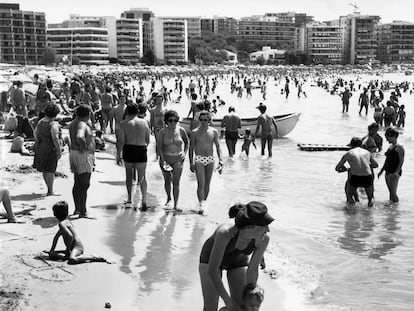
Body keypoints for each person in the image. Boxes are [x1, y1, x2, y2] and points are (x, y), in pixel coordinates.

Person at [199, 202, 274, 311]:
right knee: (210, 306)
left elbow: (252, 270)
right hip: (210, 258)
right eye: (264, 225)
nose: (268, 230)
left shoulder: (264, 239)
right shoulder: (225, 233)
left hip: (237, 260)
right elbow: (212, 271)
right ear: (250, 226)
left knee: (242, 305)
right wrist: (227, 301)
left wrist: (252, 299)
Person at [117, 103, 150, 211]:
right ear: (137, 112)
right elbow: (148, 140)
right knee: (142, 176)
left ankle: (130, 199)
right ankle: (144, 199)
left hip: (129, 149)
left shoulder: (123, 124)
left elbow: (121, 141)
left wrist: (118, 154)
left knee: (129, 175)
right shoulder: (145, 122)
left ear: (127, 112)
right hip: (141, 148)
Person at [189, 111, 223, 214]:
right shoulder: (194, 132)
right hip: (199, 159)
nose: (203, 122)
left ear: (209, 120)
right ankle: (200, 204)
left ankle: (204, 203)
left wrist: (221, 160)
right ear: (199, 120)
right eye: (201, 119)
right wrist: (191, 162)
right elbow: (191, 149)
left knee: (207, 184)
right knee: (201, 183)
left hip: (210, 159)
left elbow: (218, 147)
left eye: (205, 120)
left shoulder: (213, 132)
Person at [156, 110, 189, 211]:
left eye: (175, 120)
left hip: (178, 159)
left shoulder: (181, 130)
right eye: (170, 121)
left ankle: (176, 204)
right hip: (166, 159)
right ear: (166, 121)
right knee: (167, 181)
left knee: (176, 182)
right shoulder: (162, 132)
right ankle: (168, 197)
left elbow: (187, 142)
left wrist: (185, 153)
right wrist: (162, 159)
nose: (173, 123)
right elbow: (159, 147)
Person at [335, 137, 378, 207]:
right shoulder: (367, 152)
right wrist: (366, 165)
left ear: (351, 145)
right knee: (370, 198)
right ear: (361, 145)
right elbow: (375, 165)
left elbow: (337, 168)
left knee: (349, 195)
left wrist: (347, 169)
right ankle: (370, 214)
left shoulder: (348, 154)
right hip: (367, 176)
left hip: (355, 176)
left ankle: (352, 213)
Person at [69, 105, 95, 218]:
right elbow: (80, 136)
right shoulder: (82, 124)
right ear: (88, 115)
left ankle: (77, 209)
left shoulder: (73, 123)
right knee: (85, 183)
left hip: (73, 153)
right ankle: (83, 211)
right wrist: (84, 147)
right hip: (82, 155)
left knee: (77, 182)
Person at [33, 103, 62, 196]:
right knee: (51, 170)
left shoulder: (41, 122)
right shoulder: (53, 125)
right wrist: (59, 150)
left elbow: (35, 133)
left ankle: (49, 188)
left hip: (41, 147)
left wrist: (38, 144)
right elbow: (55, 138)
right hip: (50, 149)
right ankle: (50, 191)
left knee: (44, 169)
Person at [378, 127, 404, 203]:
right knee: (390, 193)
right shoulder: (390, 147)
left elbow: (401, 160)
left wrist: (397, 172)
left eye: (388, 138)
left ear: (393, 136)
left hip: (394, 172)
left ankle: (396, 209)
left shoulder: (399, 147)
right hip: (388, 171)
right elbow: (387, 160)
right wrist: (381, 171)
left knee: (393, 193)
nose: (386, 140)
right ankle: (392, 210)